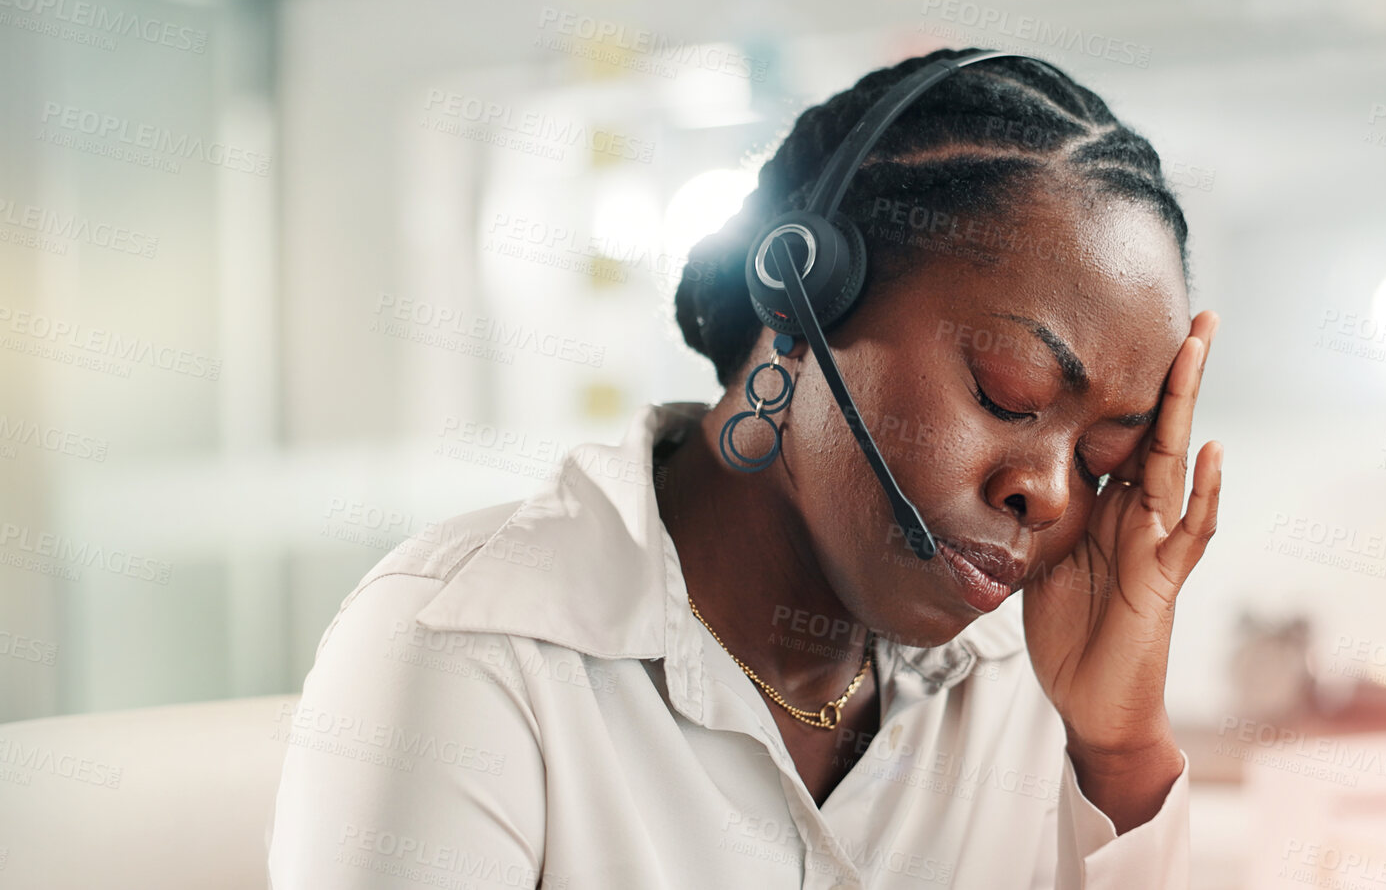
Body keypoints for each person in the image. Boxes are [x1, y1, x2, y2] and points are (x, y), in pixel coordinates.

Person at [270, 46, 1222, 889]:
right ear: (801, 298)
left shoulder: (1022, 692)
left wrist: (1119, 753)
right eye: (1007, 393)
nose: (1048, 493)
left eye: (1100, 457)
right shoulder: (469, 650)